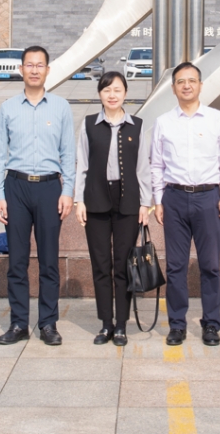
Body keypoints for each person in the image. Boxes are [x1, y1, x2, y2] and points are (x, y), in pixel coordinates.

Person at [0, 46, 75, 346]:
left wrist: (68, 191)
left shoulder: (61, 107)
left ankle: (48, 323)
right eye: (30, 65)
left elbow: (68, 152)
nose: (35, 70)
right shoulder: (8, 108)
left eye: (40, 65)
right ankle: (18, 323)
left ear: (48, 70)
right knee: (17, 260)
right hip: (16, 186)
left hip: (50, 188)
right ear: (21, 70)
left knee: (49, 260)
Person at [151, 62, 220, 347]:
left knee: (210, 265)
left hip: (208, 198)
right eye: (180, 81)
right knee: (175, 266)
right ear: (173, 88)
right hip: (174, 198)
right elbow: (156, 165)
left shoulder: (217, 120)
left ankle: (211, 324)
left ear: (200, 85)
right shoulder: (163, 122)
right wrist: (158, 199)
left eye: (191, 81)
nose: (186, 86)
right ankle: (177, 324)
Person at [74, 71, 149, 346]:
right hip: (96, 199)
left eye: (117, 90)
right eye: (107, 90)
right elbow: (82, 164)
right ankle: (106, 323)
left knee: (123, 265)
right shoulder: (89, 124)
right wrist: (79, 200)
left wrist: (145, 203)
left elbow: (143, 167)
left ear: (125, 93)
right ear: (100, 94)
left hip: (127, 201)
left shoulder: (137, 126)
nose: (112, 95)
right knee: (101, 264)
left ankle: (121, 325)